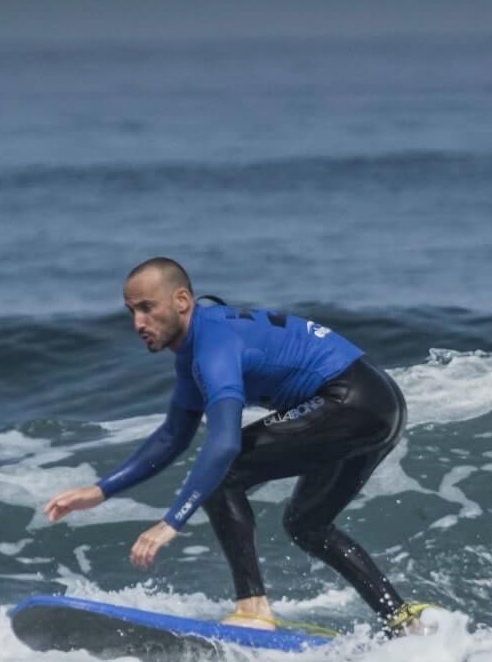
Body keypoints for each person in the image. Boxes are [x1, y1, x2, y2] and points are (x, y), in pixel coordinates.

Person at [43, 258, 426, 634]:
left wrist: (171, 521)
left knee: (223, 470)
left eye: (147, 308)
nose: (137, 323)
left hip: (349, 400)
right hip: (378, 404)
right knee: (307, 524)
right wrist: (100, 490)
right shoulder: (197, 351)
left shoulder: (214, 346)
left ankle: (253, 608)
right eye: (131, 311)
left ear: (181, 301)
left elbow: (224, 444)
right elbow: (172, 437)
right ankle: (401, 620)